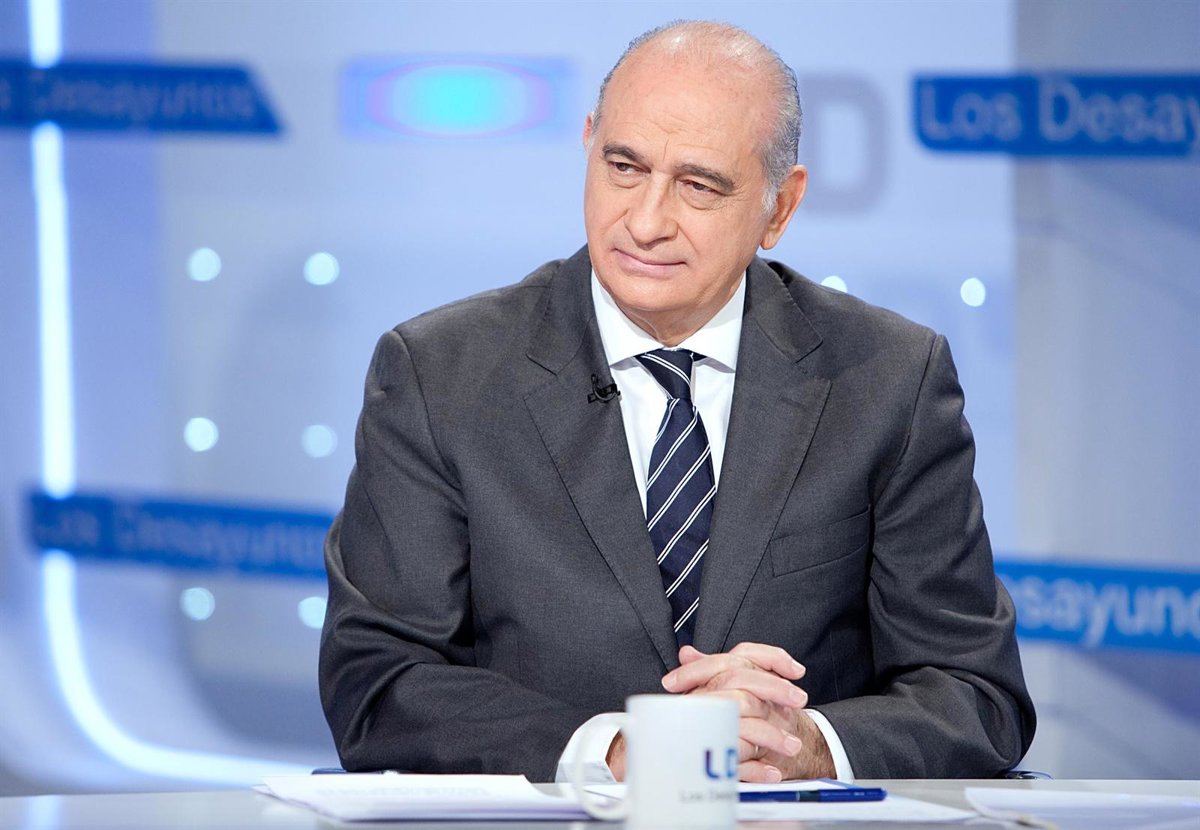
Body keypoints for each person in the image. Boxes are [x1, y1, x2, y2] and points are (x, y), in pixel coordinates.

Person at [319, 20, 1035, 783]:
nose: (647, 221)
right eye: (624, 167)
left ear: (780, 207)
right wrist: (621, 751)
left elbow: (976, 694)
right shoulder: (441, 375)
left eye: (698, 185)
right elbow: (378, 684)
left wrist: (807, 744)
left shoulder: (888, 380)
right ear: (588, 145)